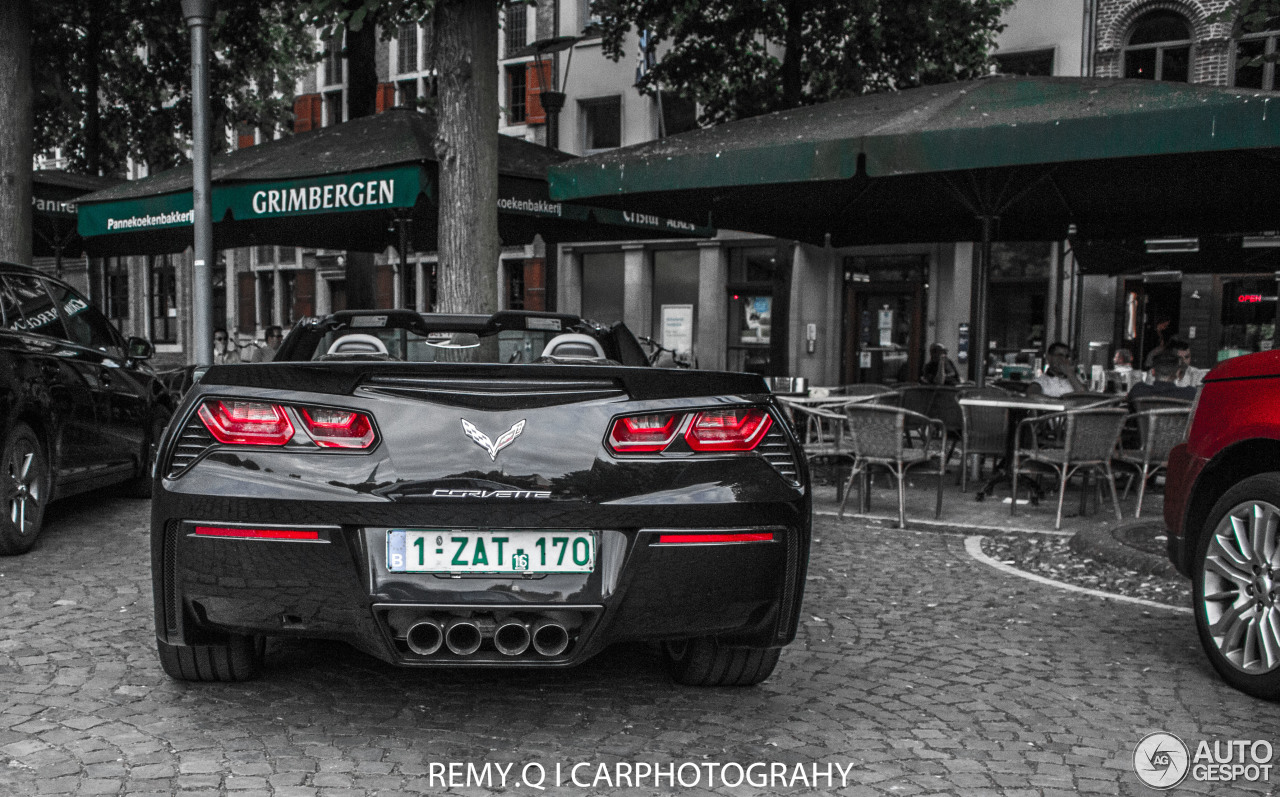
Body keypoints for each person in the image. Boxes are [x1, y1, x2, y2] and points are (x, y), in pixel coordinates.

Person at [1129, 351, 1197, 404]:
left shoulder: (1138, 390)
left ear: (1152, 372)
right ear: (1177, 373)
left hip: (1146, 422)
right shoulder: (1190, 393)